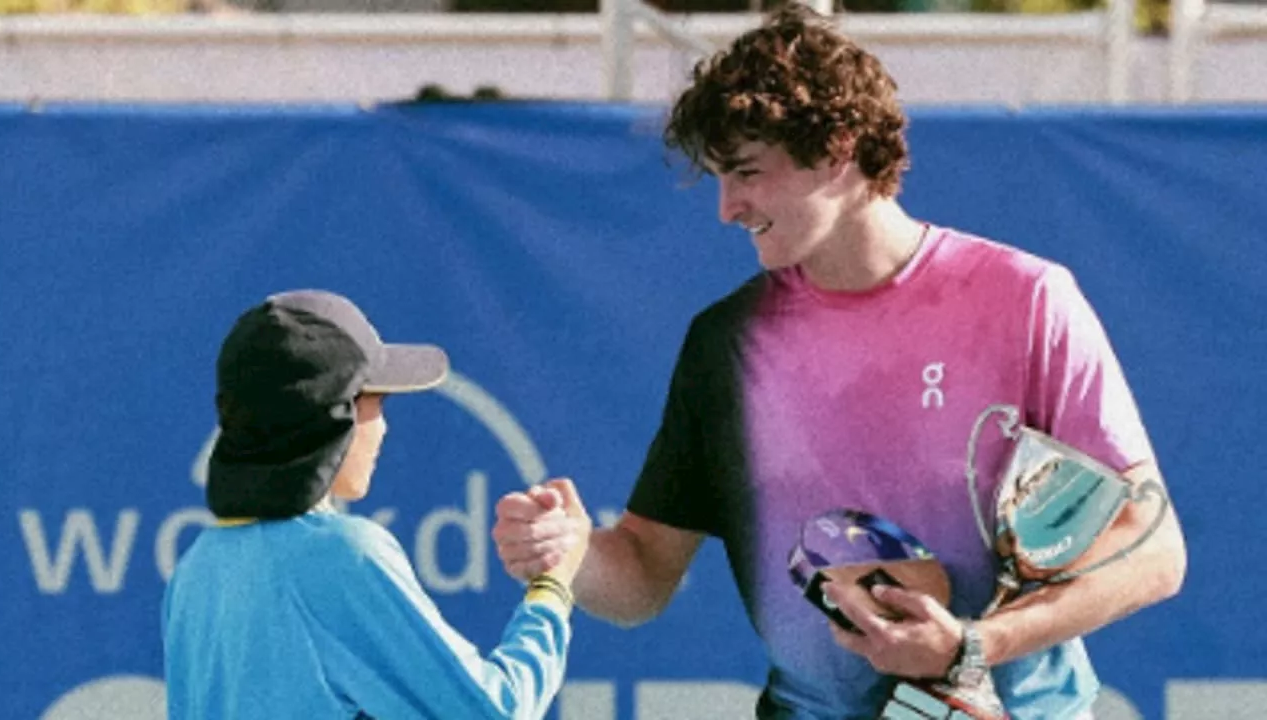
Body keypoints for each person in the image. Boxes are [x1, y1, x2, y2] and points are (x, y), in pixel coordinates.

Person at [491, 4, 1187, 719]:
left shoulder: (1030, 300)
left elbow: (1154, 553)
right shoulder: (726, 342)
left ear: (838, 149)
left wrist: (975, 645)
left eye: (747, 173)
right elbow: (643, 575)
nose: (727, 208)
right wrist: (570, 551)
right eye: (719, 178)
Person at [163, 289, 591, 719]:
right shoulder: (339, 556)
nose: (384, 428)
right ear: (334, 413)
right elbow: (497, 712)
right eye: (376, 404)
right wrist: (554, 586)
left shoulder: (196, 568)